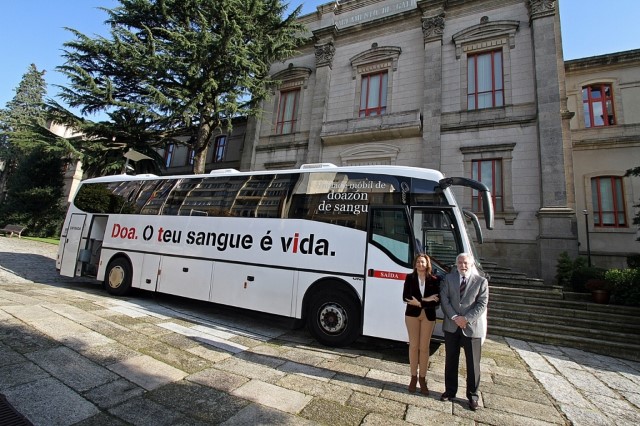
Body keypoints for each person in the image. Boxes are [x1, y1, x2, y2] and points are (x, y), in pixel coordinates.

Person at [439, 252, 488, 411]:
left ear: (471, 264)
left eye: (466, 263)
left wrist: (465, 319)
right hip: (452, 326)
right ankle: (450, 391)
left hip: (471, 328)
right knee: (451, 360)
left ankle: (473, 396)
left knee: (473, 364)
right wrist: (454, 317)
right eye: (460, 263)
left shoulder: (481, 282)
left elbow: (481, 304)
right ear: (456, 265)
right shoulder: (449, 279)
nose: (463, 265)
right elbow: (444, 299)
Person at [402, 253, 441, 395]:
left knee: (424, 348)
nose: (420, 264)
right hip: (412, 316)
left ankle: (422, 378)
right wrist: (426, 300)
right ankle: (413, 377)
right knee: (413, 346)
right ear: (415, 264)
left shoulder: (435, 280)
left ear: (427, 264)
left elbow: (437, 300)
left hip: (428, 317)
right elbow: (405, 297)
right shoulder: (409, 278)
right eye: (418, 262)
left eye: (423, 262)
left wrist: (419, 302)